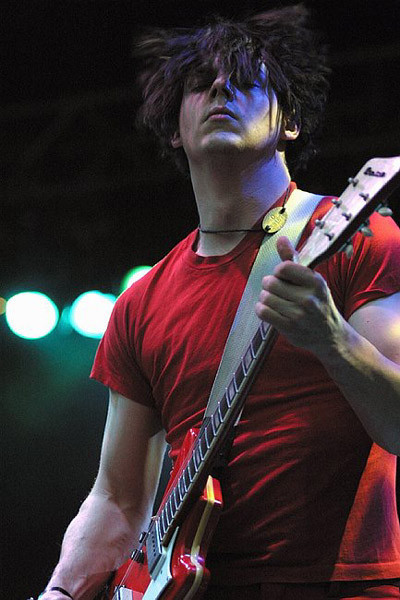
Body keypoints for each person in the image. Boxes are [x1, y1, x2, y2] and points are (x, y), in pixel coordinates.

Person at [36, 5, 400, 600]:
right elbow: (117, 499)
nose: (221, 88)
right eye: (200, 82)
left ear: (290, 122)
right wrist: (60, 591)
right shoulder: (140, 304)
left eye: (247, 79)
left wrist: (333, 339)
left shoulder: (358, 237)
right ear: (175, 130)